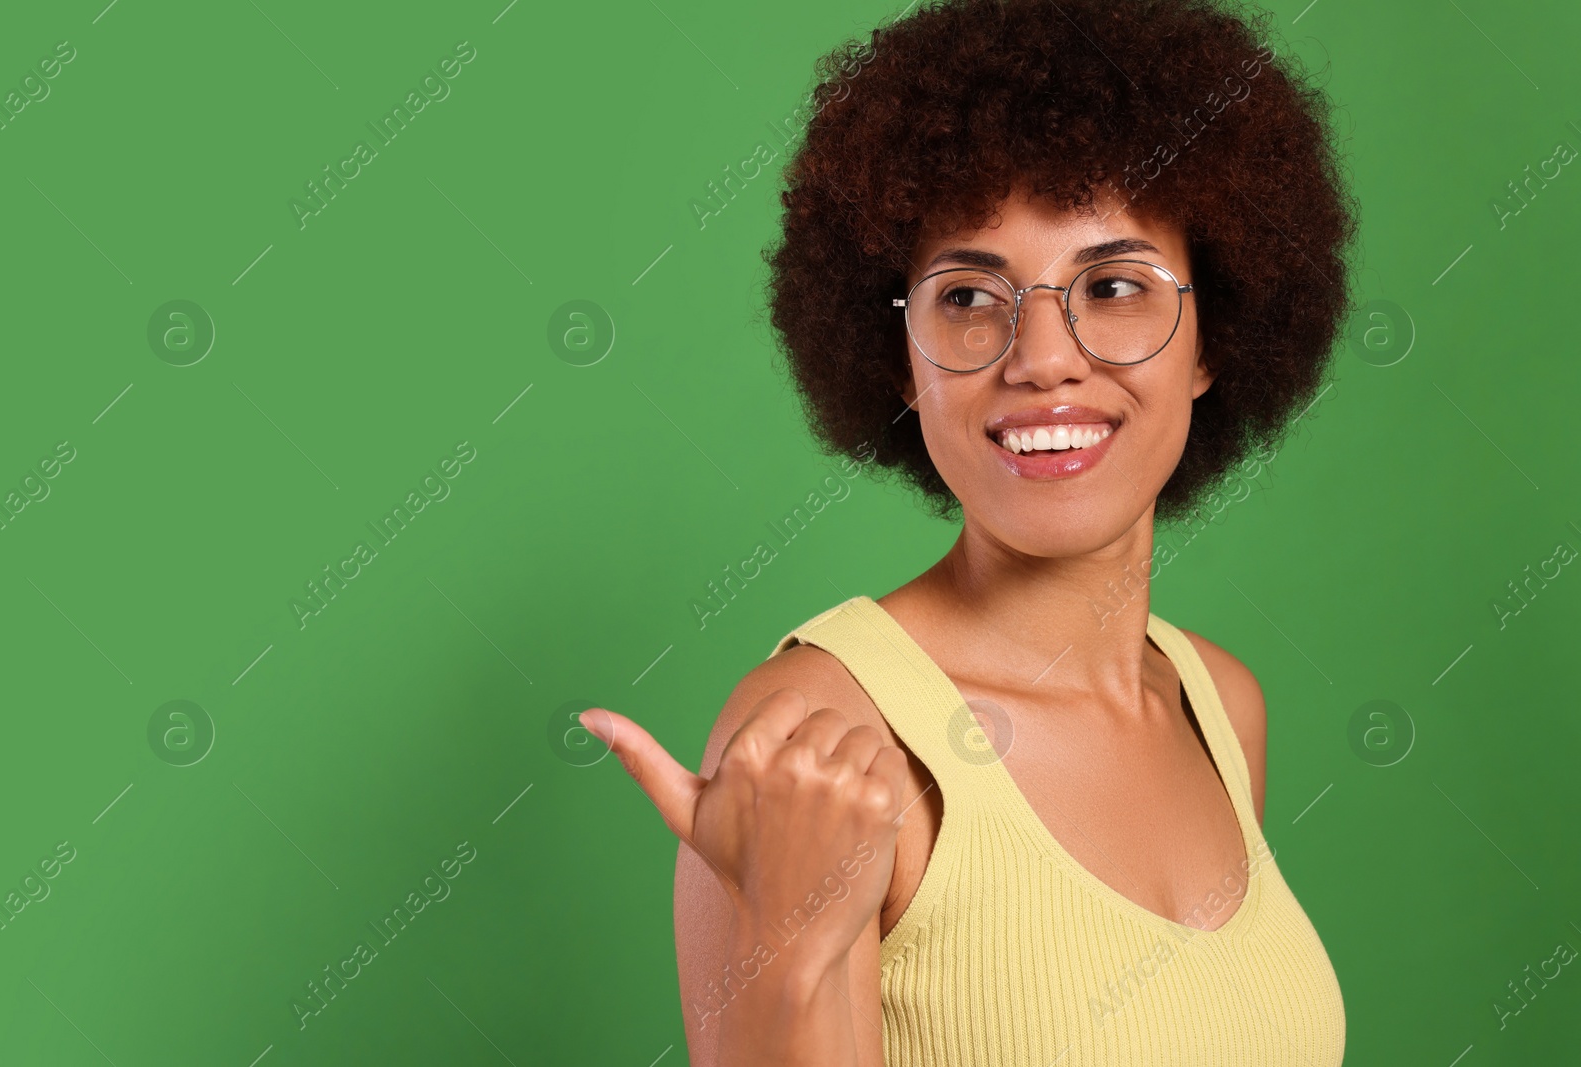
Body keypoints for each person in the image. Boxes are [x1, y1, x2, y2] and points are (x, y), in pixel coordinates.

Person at [581, 0, 1358, 1062]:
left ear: (1211, 336)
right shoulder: (826, 733)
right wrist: (791, 940)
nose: (1042, 356)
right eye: (966, 296)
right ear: (899, 360)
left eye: (1115, 286)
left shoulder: (1219, 705)